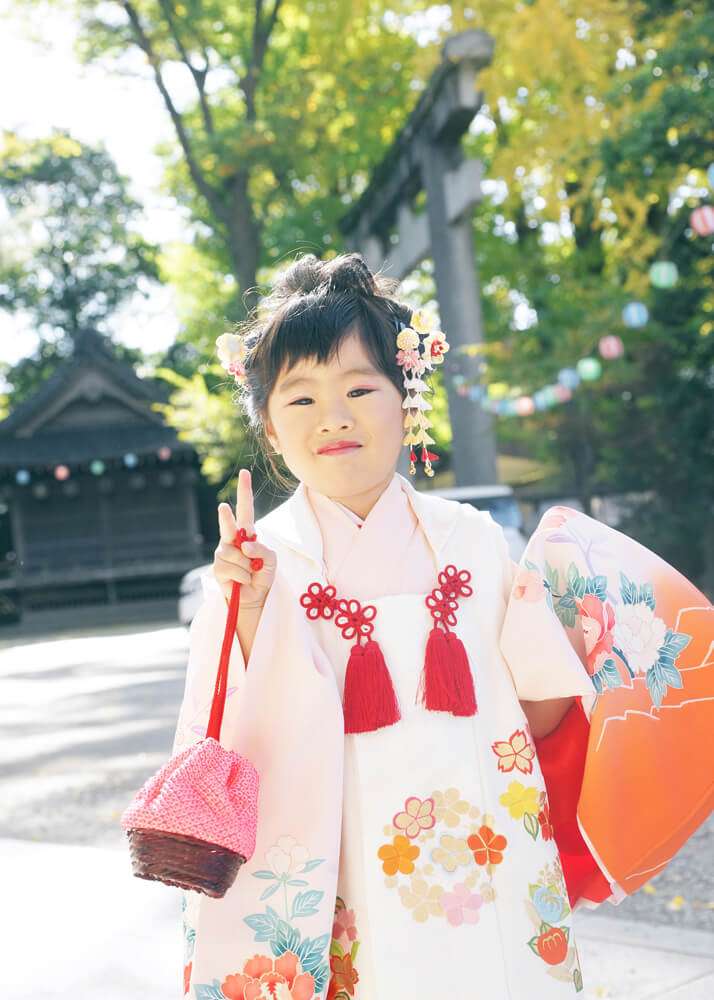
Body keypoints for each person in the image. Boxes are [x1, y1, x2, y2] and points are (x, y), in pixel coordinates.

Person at [174, 253, 713, 1000]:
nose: (334, 416)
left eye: (361, 388)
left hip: (486, 862)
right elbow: (236, 739)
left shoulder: (472, 539)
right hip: (344, 872)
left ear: (407, 398)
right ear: (268, 429)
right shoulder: (259, 564)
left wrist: (601, 643)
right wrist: (251, 614)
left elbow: (544, 717)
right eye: (300, 400)